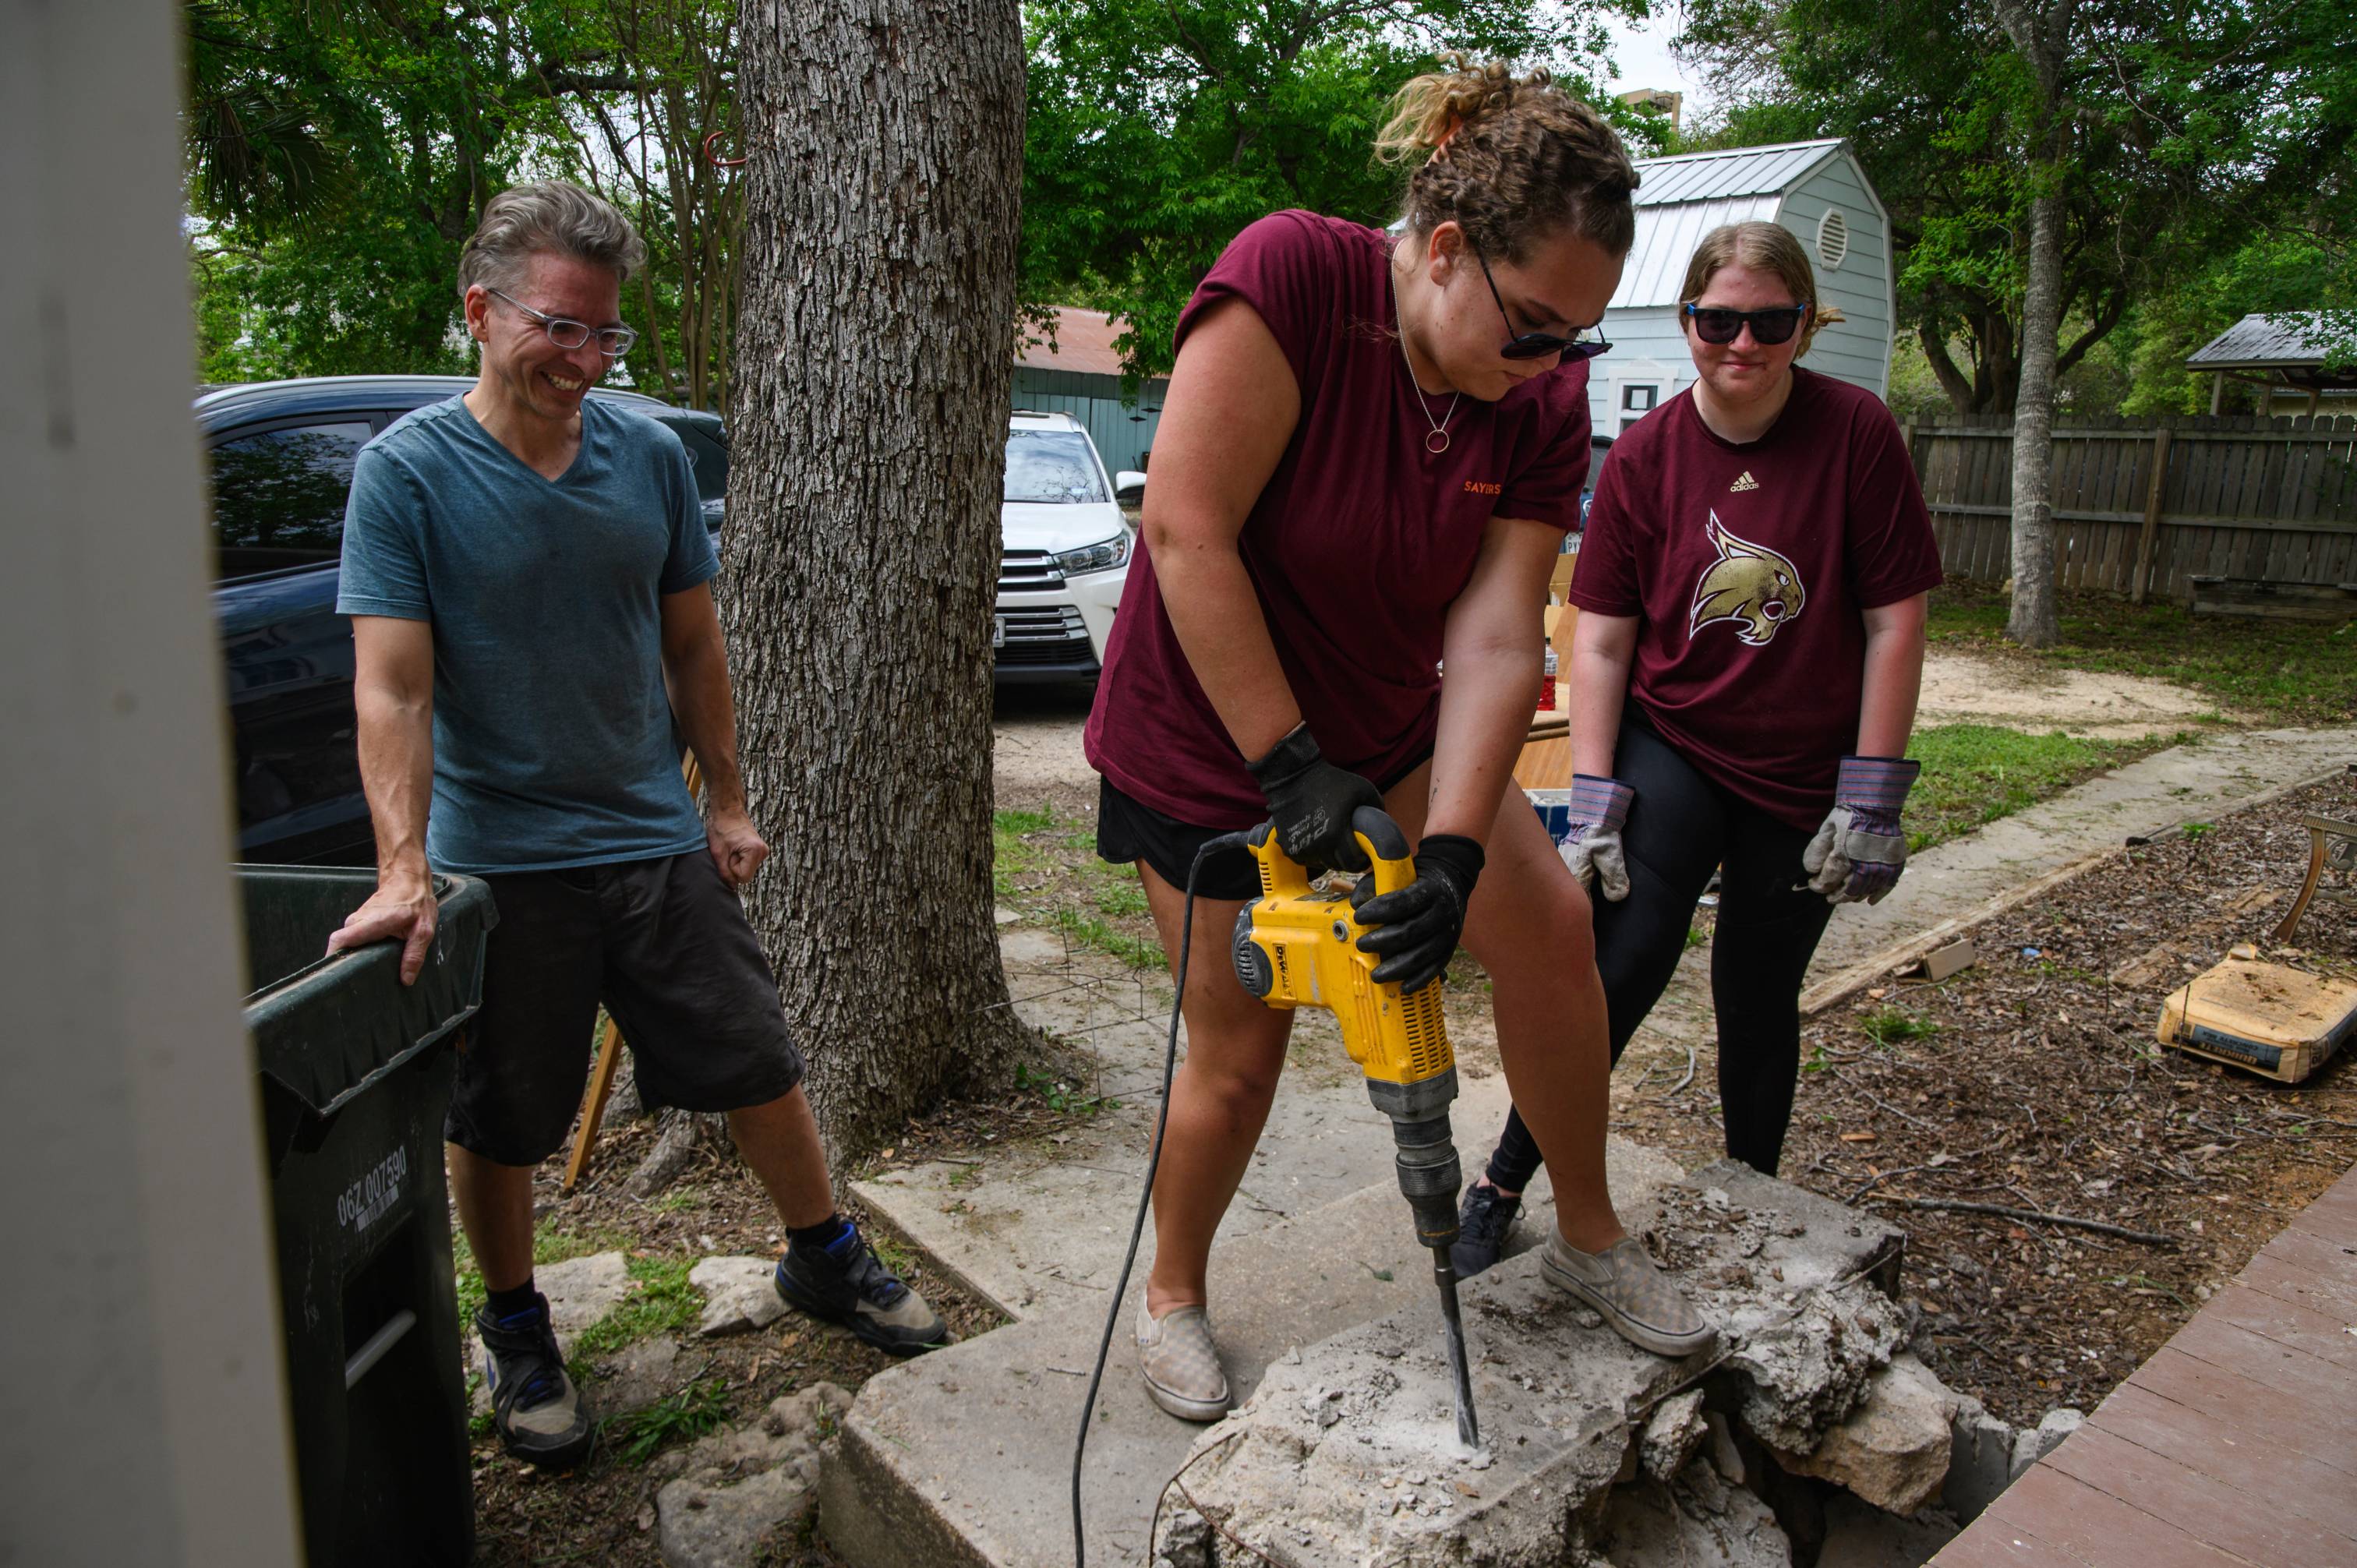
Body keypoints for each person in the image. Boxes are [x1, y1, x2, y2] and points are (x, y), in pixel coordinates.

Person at [1083, 58, 1718, 1425]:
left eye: (1579, 341)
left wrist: (1446, 853)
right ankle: (1174, 1293)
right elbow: (1186, 530)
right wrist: (1288, 771)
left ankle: (1591, 1232)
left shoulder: (1533, 398)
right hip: (1205, 736)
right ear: (1442, 251)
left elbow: (1497, 637)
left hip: (1387, 722)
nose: (1552, 364)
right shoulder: (1295, 281)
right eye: (1537, 325)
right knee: (1242, 1051)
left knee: (1546, 931)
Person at [327, 182, 948, 1471]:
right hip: (504, 868)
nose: (586, 361)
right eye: (562, 328)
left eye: (606, 337)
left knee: (756, 1057)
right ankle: (516, 1330)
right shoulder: (407, 476)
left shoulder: (647, 457)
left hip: (654, 842)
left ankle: (823, 1257)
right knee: (503, 1118)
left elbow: (692, 640)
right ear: (479, 312)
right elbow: (390, 686)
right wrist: (406, 870)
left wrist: (724, 797)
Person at [1451, 221, 1944, 1278]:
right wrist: (1592, 796)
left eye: (1769, 322)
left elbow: (1892, 621)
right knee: (1618, 967)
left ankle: (1756, 1204)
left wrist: (1872, 795)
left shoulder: (1858, 433)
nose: (1742, 343)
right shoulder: (1644, 455)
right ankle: (1500, 1179)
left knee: (1757, 997)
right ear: (1687, 324)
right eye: (1718, 320)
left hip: (1805, 771)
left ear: (1803, 325)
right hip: (1674, 741)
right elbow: (1605, 636)